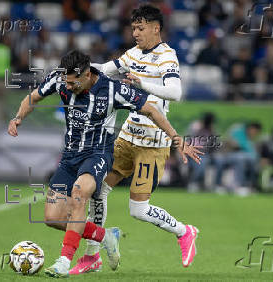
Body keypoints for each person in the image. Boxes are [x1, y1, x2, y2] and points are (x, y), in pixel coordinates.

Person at [7, 50, 201, 278]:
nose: (67, 87)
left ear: (87, 74)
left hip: (98, 154)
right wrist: (18, 117)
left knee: (81, 193)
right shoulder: (60, 80)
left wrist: (176, 139)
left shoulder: (112, 89)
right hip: (70, 157)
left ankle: (63, 261)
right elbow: (34, 97)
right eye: (66, 82)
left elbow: (150, 109)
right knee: (53, 218)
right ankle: (104, 235)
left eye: (72, 82)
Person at [71, 5, 202, 274]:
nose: (136, 33)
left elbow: (175, 92)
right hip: (127, 137)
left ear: (156, 28)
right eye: (133, 28)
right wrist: (73, 71)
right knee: (98, 190)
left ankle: (185, 231)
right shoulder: (132, 54)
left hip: (153, 144)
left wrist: (143, 85)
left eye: (141, 28)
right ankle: (92, 256)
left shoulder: (167, 56)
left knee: (138, 210)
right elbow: (104, 70)